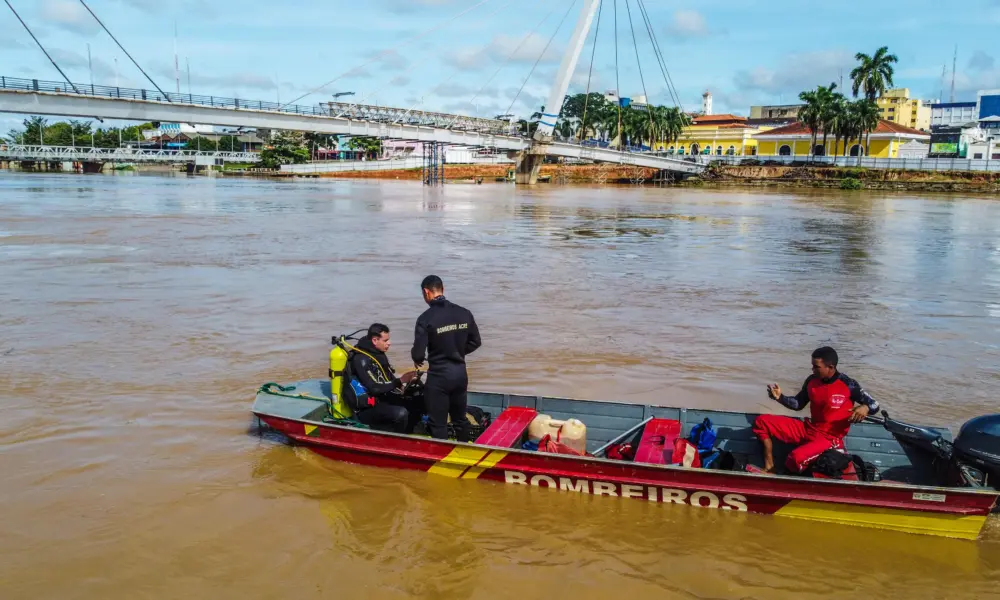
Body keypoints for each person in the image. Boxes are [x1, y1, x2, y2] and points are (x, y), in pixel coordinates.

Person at [752, 346, 880, 474]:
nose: (812, 369)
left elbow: (874, 404)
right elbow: (798, 404)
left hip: (830, 439)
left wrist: (865, 407)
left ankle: (790, 482)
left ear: (830, 367)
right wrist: (780, 398)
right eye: (812, 366)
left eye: (816, 367)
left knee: (795, 458)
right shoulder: (811, 380)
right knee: (761, 422)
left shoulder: (848, 384)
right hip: (809, 428)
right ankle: (770, 467)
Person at [411, 275, 482, 441]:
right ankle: (465, 453)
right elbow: (476, 342)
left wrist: (418, 358)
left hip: (439, 377)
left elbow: (418, 355)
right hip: (460, 374)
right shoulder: (464, 313)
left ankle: (441, 459)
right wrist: (457, 351)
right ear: (442, 289)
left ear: (426, 292)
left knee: (439, 424)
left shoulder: (425, 319)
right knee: (460, 420)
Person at [349, 323, 417, 433]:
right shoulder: (361, 359)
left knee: (416, 400)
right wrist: (400, 380)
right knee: (401, 413)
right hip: (367, 410)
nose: (389, 343)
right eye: (385, 341)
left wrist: (404, 385)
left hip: (383, 401)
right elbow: (374, 388)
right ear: (375, 340)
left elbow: (388, 377)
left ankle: (413, 432)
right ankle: (397, 441)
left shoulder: (378, 354)